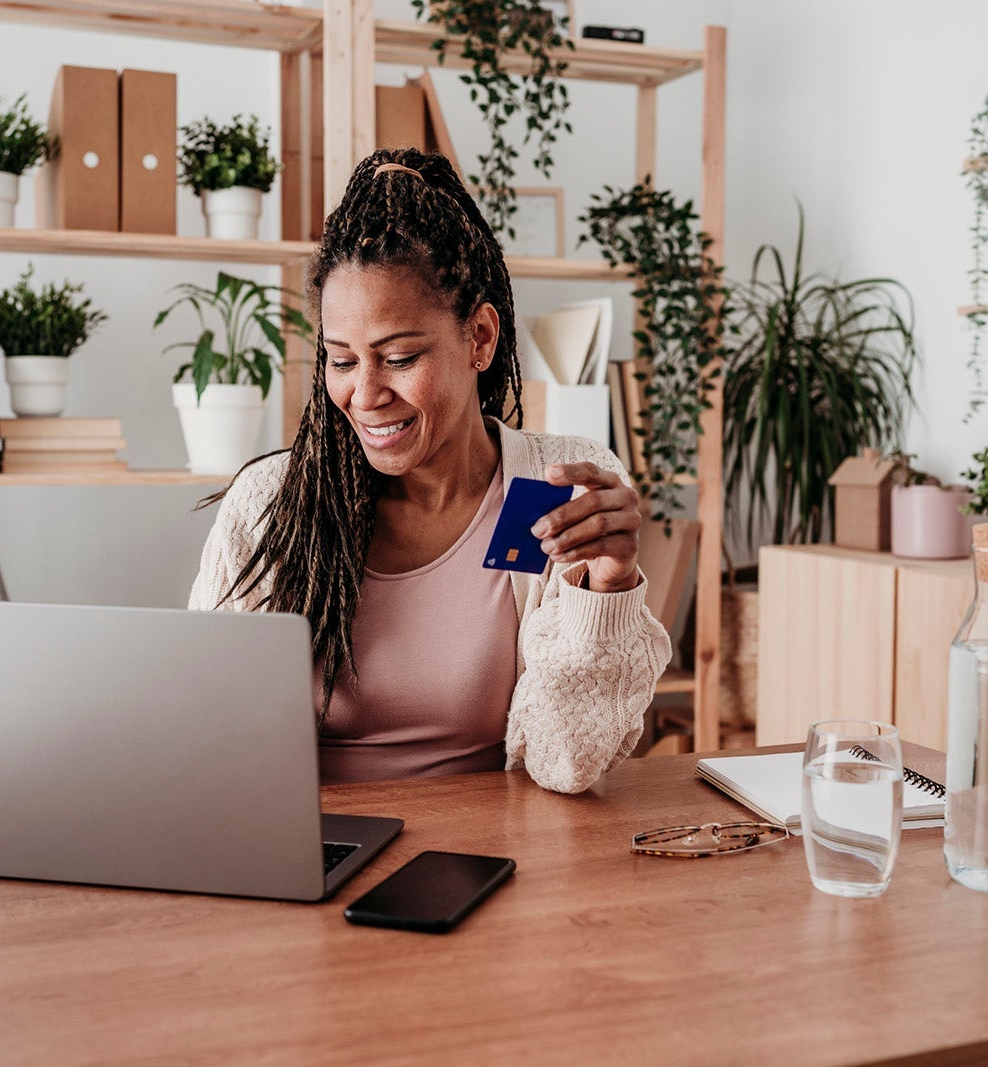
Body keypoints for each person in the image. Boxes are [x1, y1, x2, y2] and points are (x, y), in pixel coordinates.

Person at [189, 147, 670, 794]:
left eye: (399, 357)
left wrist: (607, 591)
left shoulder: (542, 492)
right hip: (311, 844)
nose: (365, 395)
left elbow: (565, 763)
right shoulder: (273, 503)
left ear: (480, 338)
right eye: (341, 360)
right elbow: (212, 743)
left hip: (488, 846)